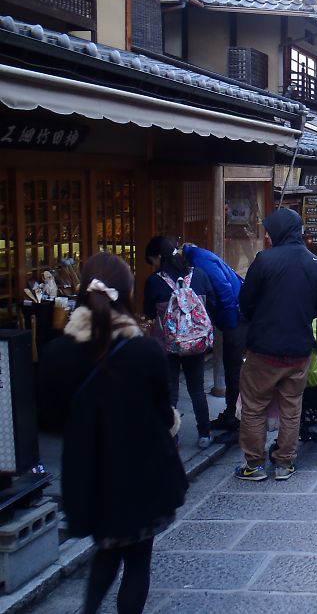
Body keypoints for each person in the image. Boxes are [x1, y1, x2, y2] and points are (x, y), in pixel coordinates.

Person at [41, 252, 186, 614]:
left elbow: (51, 420)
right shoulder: (145, 351)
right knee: (137, 560)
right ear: (127, 293)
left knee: (107, 550)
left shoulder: (57, 353)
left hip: (91, 478)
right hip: (142, 473)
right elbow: (163, 413)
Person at [235, 208, 317, 482]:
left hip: (263, 348)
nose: (266, 236)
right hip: (299, 349)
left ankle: (254, 464)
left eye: (269, 231)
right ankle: (285, 463)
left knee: (254, 406)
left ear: (279, 232)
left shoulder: (264, 261)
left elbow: (246, 303)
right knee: (292, 406)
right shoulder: (316, 264)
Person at [143, 236, 215, 450]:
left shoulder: (154, 282)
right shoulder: (199, 275)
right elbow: (211, 302)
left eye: (152, 261)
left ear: (158, 257)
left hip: (168, 344)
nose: (153, 266)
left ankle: (172, 437)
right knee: (197, 389)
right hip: (196, 343)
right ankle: (205, 434)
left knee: (170, 390)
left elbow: (149, 312)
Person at [180, 243, 246, 436]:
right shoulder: (201, 256)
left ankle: (235, 416)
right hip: (236, 316)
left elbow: (224, 290)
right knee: (232, 369)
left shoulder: (200, 260)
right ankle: (232, 414)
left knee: (233, 370)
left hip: (237, 317)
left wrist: (229, 323)